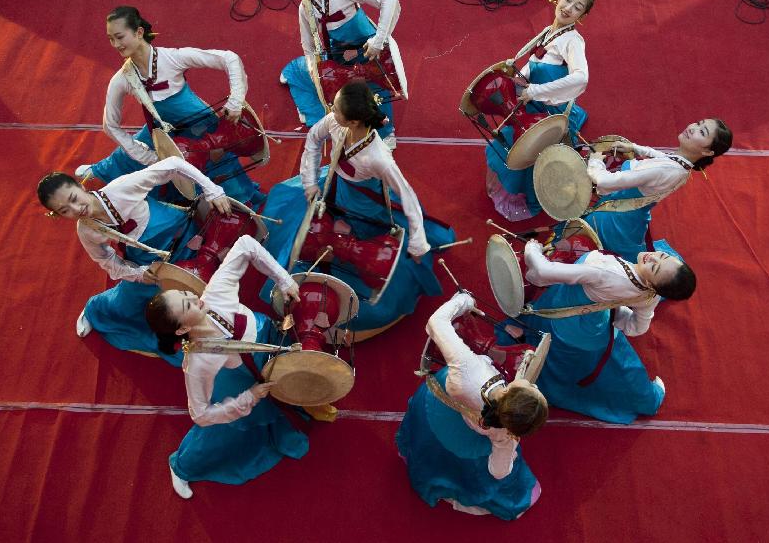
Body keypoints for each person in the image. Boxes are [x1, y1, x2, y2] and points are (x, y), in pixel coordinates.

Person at [259, 81, 455, 334]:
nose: (332, 110)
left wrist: (416, 242)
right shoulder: (334, 122)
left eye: (337, 108)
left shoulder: (379, 158)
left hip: (366, 208)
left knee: (373, 251)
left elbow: (408, 196)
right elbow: (313, 138)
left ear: (352, 122)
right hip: (334, 187)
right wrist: (309, 182)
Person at [145, 235, 307, 498]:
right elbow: (200, 414)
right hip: (240, 377)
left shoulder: (216, 293)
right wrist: (248, 398)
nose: (194, 296)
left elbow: (244, 243)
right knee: (221, 432)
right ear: (184, 328)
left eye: (186, 292)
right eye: (187, 303)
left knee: (277, 399)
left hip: (268, 344)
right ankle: (183, 466)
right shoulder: (197, 365)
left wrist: (284, 279)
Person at [37, 156, 232, 365]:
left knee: (202, 294)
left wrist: (213, 190)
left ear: (80, 186)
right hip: (150, 265)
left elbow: (174, 162)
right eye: (65, 210)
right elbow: (106, 261)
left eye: (74, 198)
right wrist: (139, 274)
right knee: (129, 304)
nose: (75, 209)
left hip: (185, 239)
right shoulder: (86, 231)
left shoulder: (121, 188)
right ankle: (96, 308)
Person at [77, 5, 263, 205]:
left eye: (120, 37)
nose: (115, 44)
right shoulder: (122, 79)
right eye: (110, 39)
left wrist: (235, 100)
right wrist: (146, 157)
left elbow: (229, 58)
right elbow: (110, 125)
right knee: (127, 156)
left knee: (221, 169)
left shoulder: (172, 57)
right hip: (162, 129)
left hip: (198, 125)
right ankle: (99, 171)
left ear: (139, 32)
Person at [505, 241, 696, 423]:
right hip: (590, 325)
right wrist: (613, 311)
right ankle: (644, 396)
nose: (653, 258)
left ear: (654, 284)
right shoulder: (650, 294)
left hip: (563, 320)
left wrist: (532, 249)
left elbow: (542, 272)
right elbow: (637, 327)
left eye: (655, 268)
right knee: (620, 363)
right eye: (662, 255)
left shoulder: (607, 273)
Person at [396, 292, 548, 520]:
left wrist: (463, 301)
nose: (535, 386)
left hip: (436, 403)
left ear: (512, 390)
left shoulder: (468, 367)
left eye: (532, 390)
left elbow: (436, 322)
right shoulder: (504, 434)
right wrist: (511, 450)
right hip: (463, 425)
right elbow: (498, 472)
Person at [485, 0, 593, 224]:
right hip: (535, 102)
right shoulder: (550, 31)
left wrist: (534, 90)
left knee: (524, 154)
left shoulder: (573, 42)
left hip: (548, 111)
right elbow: (535, 62)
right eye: (568, 0)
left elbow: (581, 77)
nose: (568, 8)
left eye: (577, 8)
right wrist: (520, 77)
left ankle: (533, 202)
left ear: (582, 17)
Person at [281, 0, 402, 146]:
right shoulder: (305, 6)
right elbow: (308, 45)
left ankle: (386, 132)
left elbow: (390, 0)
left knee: (376, 86)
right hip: (339, 54)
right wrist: (315, 72)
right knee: (340, 88)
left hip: (367, 48)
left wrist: (378, 41)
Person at [584, 119, 733, 259]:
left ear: (708, 152)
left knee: (589, 232)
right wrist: (634, 148)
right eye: (698, 123)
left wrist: (596, 161)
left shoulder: (666, 170)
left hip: (616, 217)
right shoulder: (683, 165)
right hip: (631, 210)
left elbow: (605, 180)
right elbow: (663, 156)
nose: (693, 128)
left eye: (702, 132)